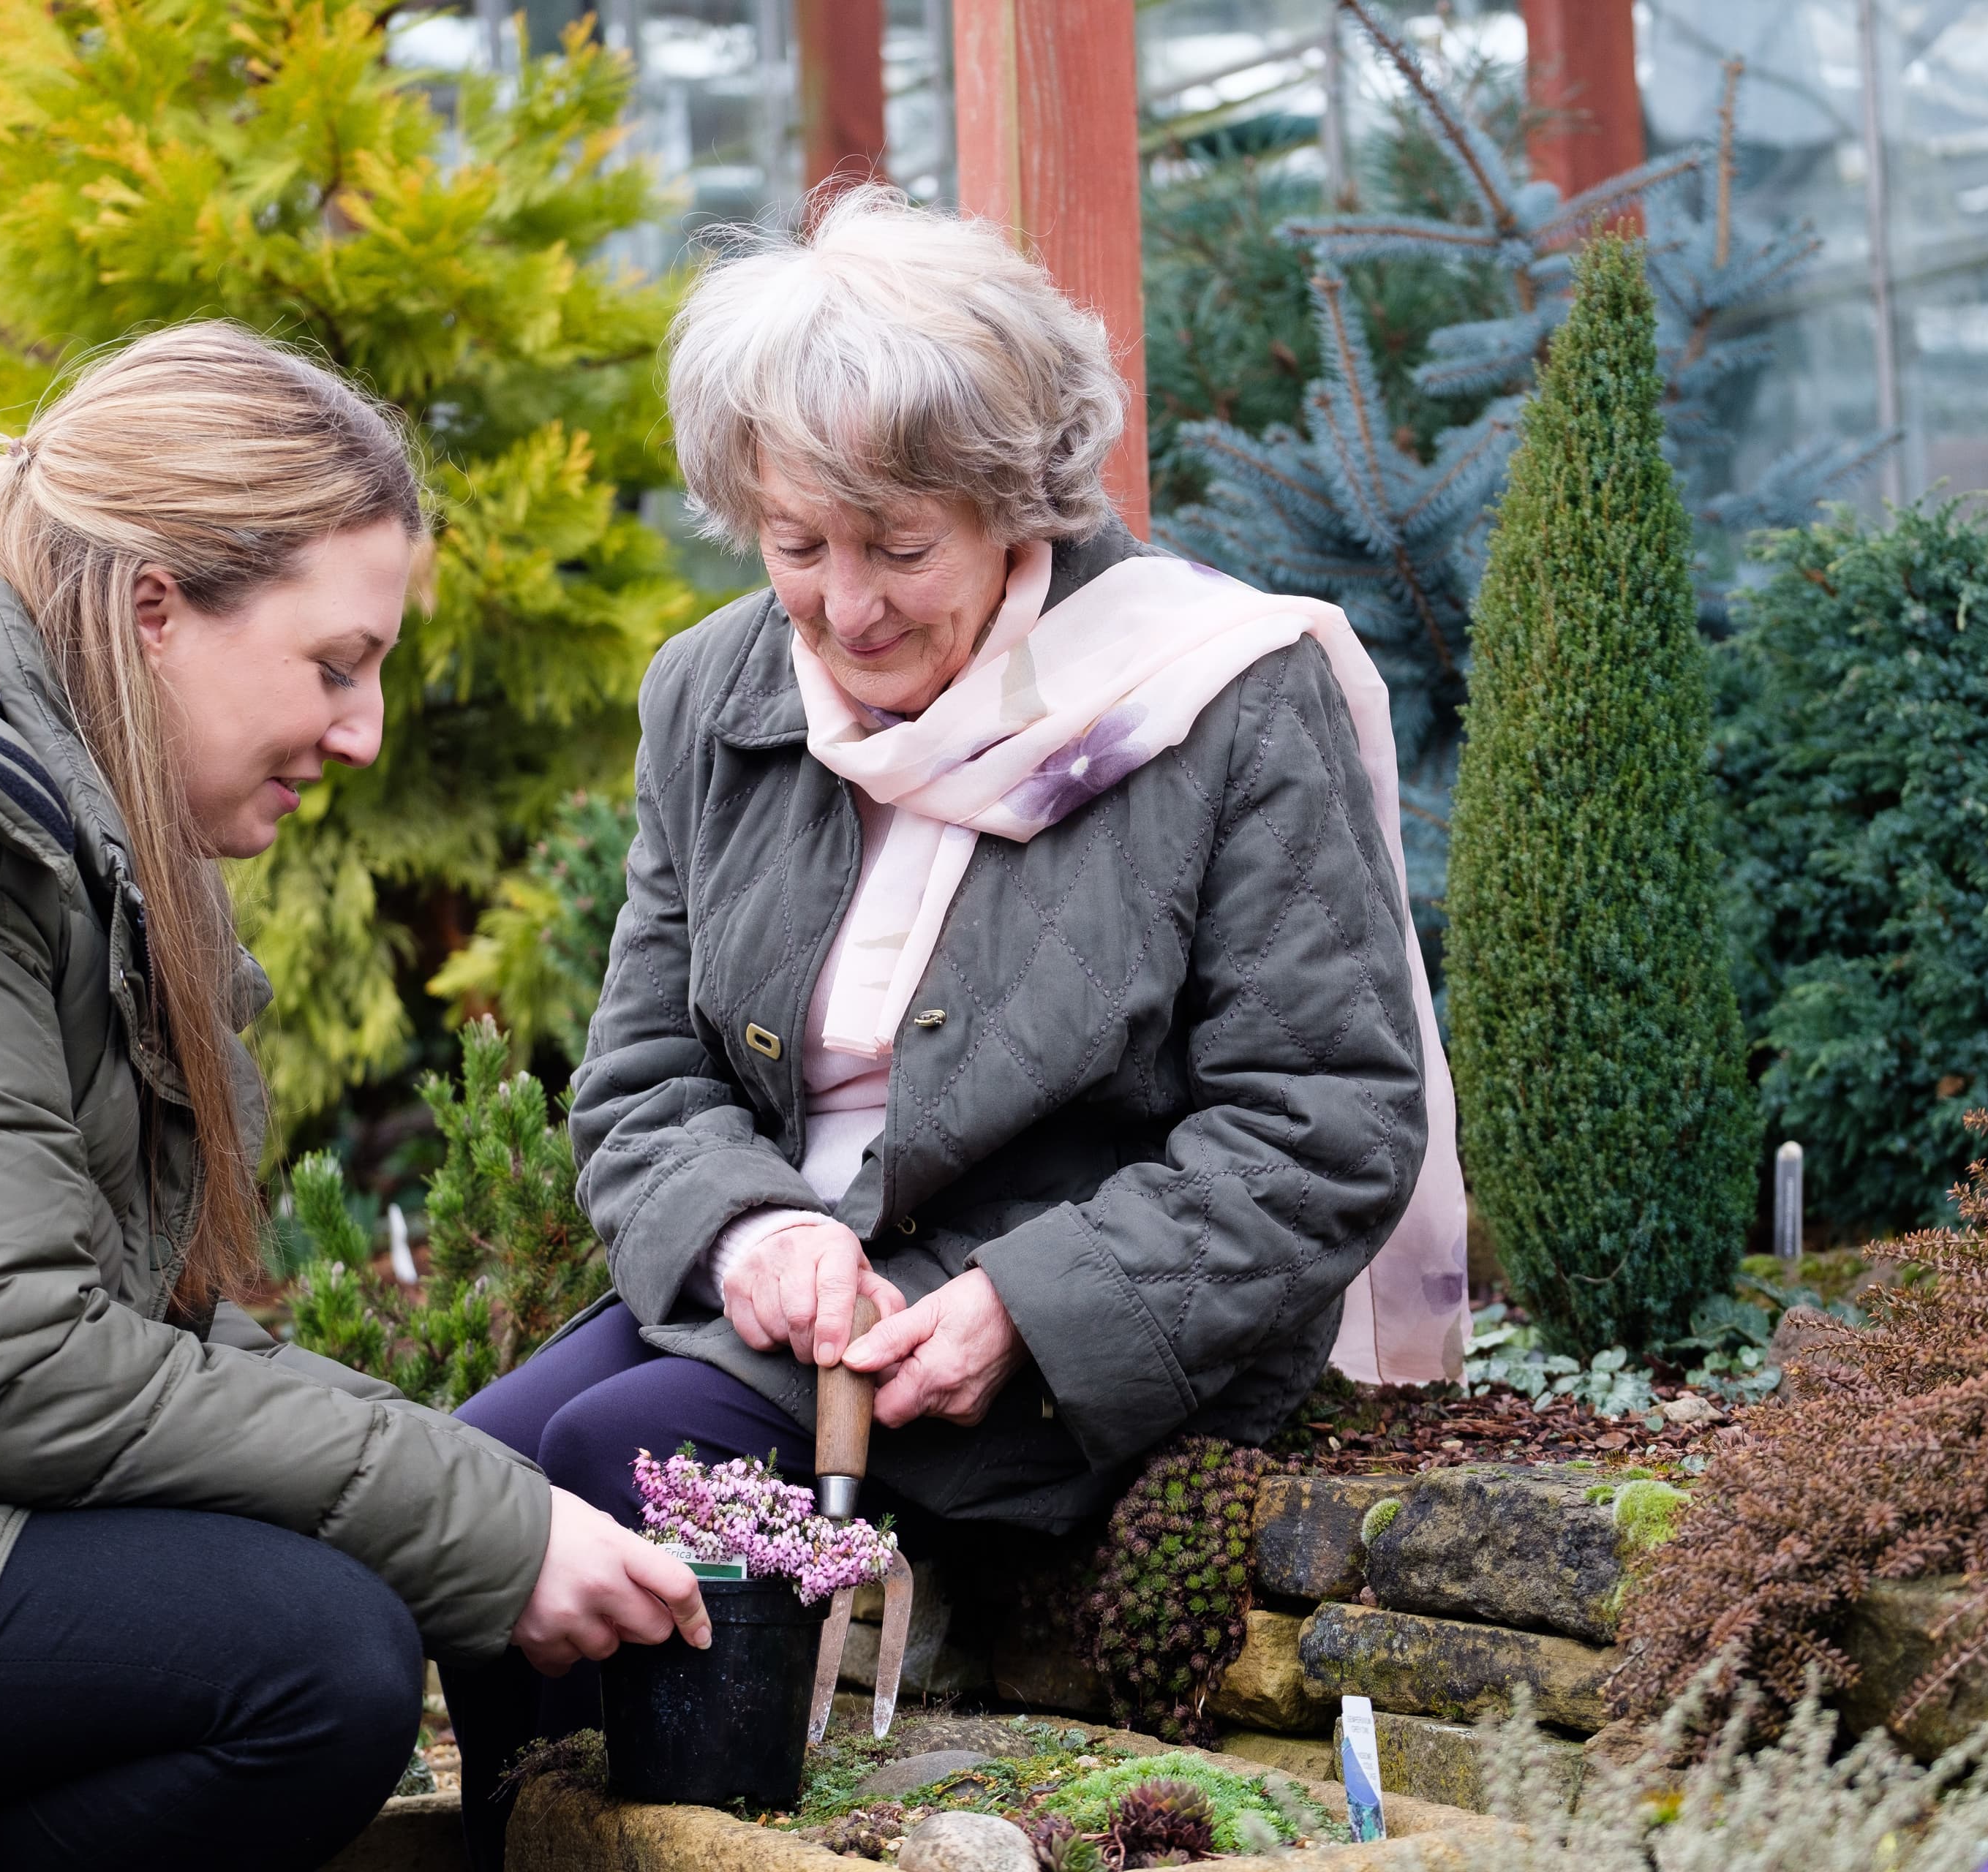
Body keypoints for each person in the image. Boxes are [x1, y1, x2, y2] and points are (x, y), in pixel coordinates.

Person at [0, 322, 706, 1872]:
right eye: (337, 663)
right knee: (305, 1667)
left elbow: (123, 1332)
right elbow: (1, 1365)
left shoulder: (24, 822)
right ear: (158, 608)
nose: (364, 731)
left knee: (345, 1606)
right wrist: (487, 1524)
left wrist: (484, 1500)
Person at [440, 186, 1467, 1860]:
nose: (843, 608)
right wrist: (746, 1222)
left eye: (900, 545)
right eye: (796, 545)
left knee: (622, 1460)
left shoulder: (1222, 695)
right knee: (479, 1485)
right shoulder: (714, 689)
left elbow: (1325, 1120)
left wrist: (1027, 1307)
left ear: (1020, 500)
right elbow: (639, 1072)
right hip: (788, 1296)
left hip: (1068, 1311)